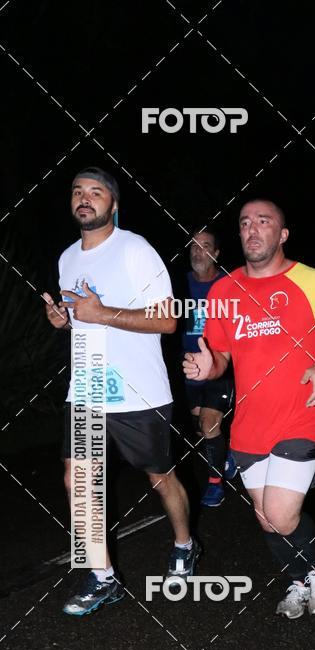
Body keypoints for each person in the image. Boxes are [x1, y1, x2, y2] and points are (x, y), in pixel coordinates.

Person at [183, 199, 315, 618]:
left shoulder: (311, 281)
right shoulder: (224, 290)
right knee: (266, 519)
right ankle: (298, 579)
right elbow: (221, 356)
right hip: (249, 423)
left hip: (301, 415)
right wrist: (209, 366)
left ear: (282, 235)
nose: (252, 229)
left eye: (263, 222)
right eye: (245, 223)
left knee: (283, 515)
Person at [44, 166, 199, 616]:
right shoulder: (67, 258)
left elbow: (168, 321)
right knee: (78, 478)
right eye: (77, 192)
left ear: (113, 203)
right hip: (88, 386)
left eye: (95, 192)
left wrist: (100, 312)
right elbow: (79, 316)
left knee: (159, 477)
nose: (85, 199)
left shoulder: (136, 250)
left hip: (139, 392)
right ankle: (102, 576)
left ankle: (185, 543)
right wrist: (64, 319)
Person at [182, 228, 235, 507]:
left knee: (209, 422)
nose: (197, 252)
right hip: (189, 368)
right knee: (200, 429)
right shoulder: (179, 285)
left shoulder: (230, 284)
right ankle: (225, 453)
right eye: (193, 246)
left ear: (215, 253)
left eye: (204, 246)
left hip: (219, 364)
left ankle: (215, 483)